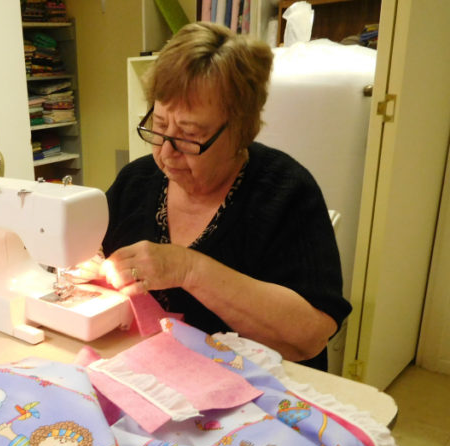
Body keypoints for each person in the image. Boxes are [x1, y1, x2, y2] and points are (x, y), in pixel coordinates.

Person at [98, 22, 351, 370]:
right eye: (158, 126)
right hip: (154, 378)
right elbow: (96, 255)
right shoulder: (136, 181)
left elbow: (310, 336)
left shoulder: (286, 193)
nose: (166, 154)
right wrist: (89, 266)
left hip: (257, 395)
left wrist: (187, 268)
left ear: (240, 132)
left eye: (188, 135)